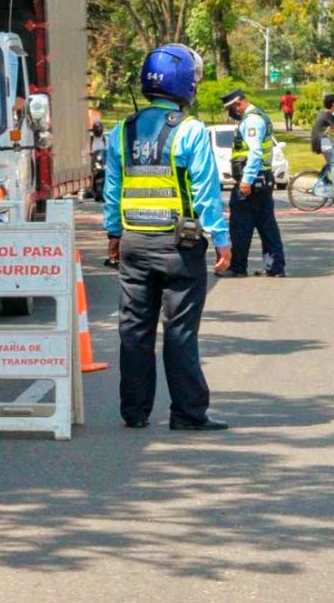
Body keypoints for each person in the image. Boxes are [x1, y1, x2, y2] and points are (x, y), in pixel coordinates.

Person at [104, 43, 232, 432]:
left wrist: (114, 233)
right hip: (180, 247)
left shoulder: (121, 131)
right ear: (184, 85)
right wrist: (222, 240)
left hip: (134, 245)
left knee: (134, 330)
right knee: (179, 331)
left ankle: (135, 412)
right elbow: (206, 192)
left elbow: (112, 189)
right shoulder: (190, 131)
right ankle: (188, 414)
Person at [222, 89, 285, 278]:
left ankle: (238, 267)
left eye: (231, 108)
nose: (231, 112)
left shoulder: (252, 121)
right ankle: (275, 268)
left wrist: (246, 180)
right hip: (263, 179)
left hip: (251, 181)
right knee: (266, 224)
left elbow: (255, 152)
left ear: (238, 104)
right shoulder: (259, 116)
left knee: (240, 225)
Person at [310, 92, 334, 195]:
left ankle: (324, 175)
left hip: (319, 141)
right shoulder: (328, 115)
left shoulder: (323, 112)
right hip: (323, 142)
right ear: (333, 104)